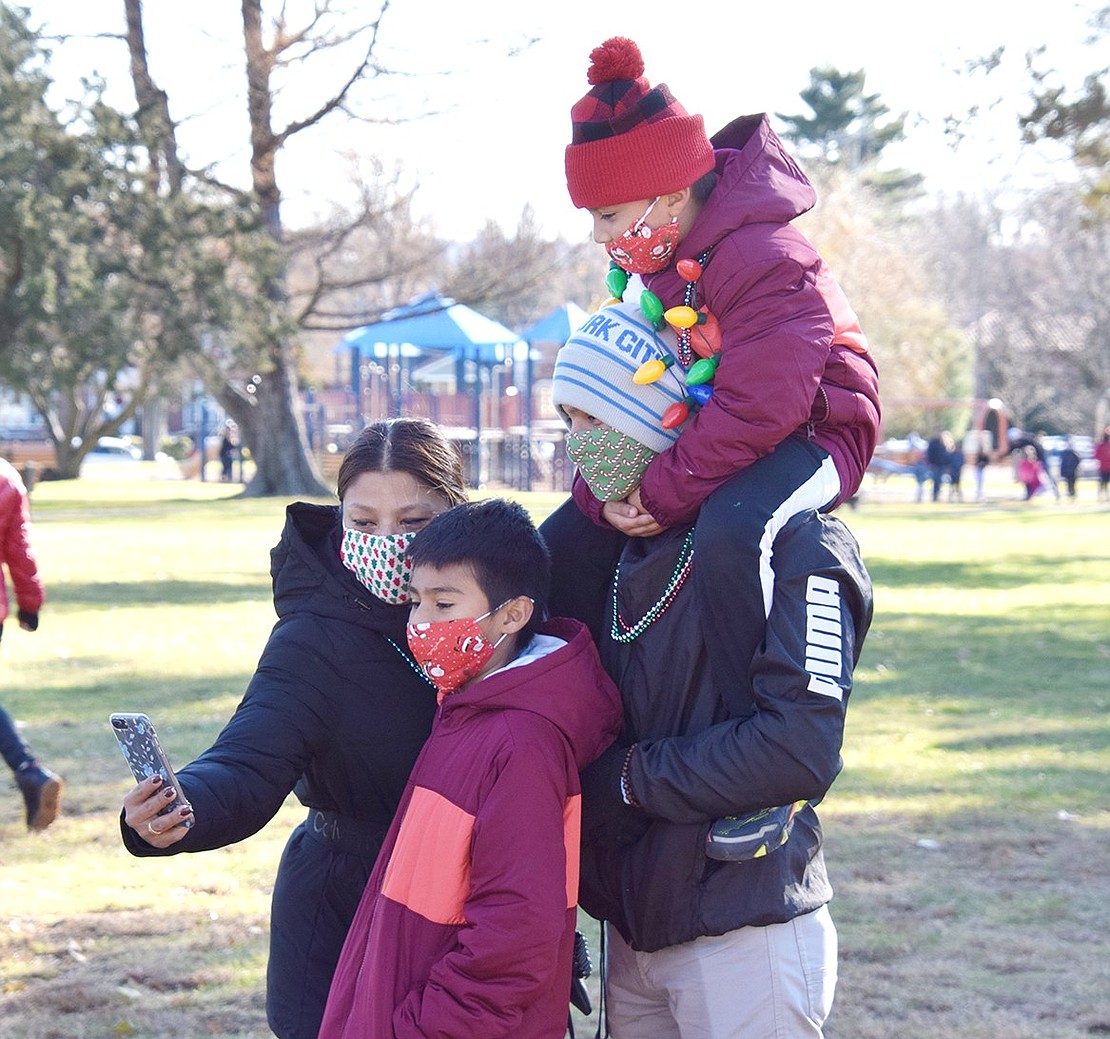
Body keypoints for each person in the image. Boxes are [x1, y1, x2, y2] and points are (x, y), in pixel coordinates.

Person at [542, 318, 874, 1038]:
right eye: (567, 418)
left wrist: (628, 779)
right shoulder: (617, 545)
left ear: (658, 408)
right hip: (631, 933)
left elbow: (797, 749)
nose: (578, 439)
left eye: (593, 415)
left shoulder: (799, 541)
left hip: (743, 930)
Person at [119, 418, 469, 1039]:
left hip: (472, 910)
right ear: (340, 521)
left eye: (414, 523)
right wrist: (178, 805)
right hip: (344, 909)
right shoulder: (312, 637)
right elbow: (248, 758)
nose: (388, 541)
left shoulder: (504, 617)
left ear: (458, 515)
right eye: (364, 522)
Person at [562, 38, 876, 692]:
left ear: (670, 195)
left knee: (738, 528)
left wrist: (659, 492)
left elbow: (762, 407)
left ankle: (754, 716)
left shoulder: (765, 257)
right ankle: (573, 705)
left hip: (815, 431)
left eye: (607, 215)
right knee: (565, 541)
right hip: (708, 429)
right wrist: (603, 495)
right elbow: (624, 394)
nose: (599, 235)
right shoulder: (645, 267)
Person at [318, 498, 622, 1039]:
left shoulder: (521, 741)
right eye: (416, 601)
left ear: (512, 614)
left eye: (445, 603)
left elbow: (517, 929)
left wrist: (425, 1027)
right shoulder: (463, 710)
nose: (422, 622)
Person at [0, 457, 62, 832]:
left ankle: (30, 773)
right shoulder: (6, 477)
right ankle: (29, 772)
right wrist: (30, 602)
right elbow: (19, 547)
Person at [1095, 428, 1110, 501]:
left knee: (1105, 482)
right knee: (1103, 482)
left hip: (1106, 467)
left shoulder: (1103, 445)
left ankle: (1105, 495)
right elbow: (1097, 455)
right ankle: (1101, 495)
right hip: (1104, 467)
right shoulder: (1102, 446)